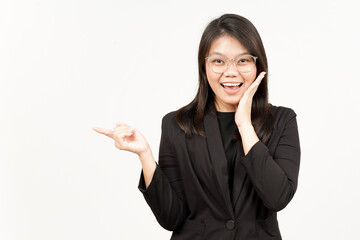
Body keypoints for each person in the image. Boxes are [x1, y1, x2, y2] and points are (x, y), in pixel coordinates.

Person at [93, 13, 301, 240]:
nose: (230, 72)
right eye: (218, 61)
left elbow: (278, 197)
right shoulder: (176, 125)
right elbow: (171, 218)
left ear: (258, 64)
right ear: (204, 66)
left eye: (243, 60)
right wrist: (145, 155)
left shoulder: (282, 120)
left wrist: (244, 125)